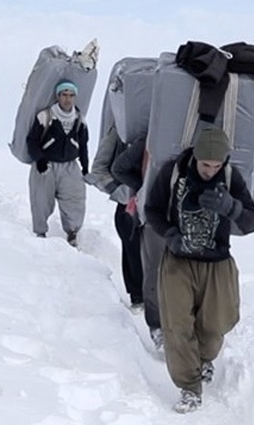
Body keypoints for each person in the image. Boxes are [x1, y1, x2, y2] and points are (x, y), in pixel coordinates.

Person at [144, 127, 254, 413]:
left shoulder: (232, 178)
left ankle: (204, 359)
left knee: (216, 323)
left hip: (217, 262)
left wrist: (231, 207)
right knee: (177, 325)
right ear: (196, 157)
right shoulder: (174, 173)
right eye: (205, 165)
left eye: (216, 165)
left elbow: (251, 222)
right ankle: (189, 387)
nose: (210, 170)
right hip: (178, 261)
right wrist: (169, 234)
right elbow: (152, 210)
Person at [110, 135, 164, 349]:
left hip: (165, 214)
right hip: (142, 213)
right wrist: (144, 186)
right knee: (140, 258)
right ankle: (147, 310)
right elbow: (118, 168)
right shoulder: (147, 139)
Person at [87, 124, 144, 309]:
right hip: (128, 206)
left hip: (156, 205)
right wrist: (119, 192)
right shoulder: (120, 129)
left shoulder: (163, 125)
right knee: (133, 251)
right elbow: (99, 169)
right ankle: (138, 299)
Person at [26, 81, 89, 247]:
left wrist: (85, 168)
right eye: (64, 95)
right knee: (41, 199)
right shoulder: (45, 116)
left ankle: (72, 232)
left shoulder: (79, 119)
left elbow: (83, 145)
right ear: (58, 96)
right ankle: (40, 232)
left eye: (71, 95)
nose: (68, 99)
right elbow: (32, 141)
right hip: (46, 165)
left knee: (74, 199)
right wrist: (40, 160)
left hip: (70, 165)